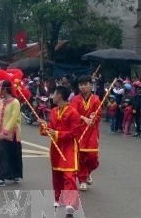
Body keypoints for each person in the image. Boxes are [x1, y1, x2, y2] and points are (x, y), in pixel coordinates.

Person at [40, 86, 84, 216]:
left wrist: (57, 133)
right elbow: (50, 129)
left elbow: (75, 132)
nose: (52, 96)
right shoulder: (53, 111)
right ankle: (58, 198)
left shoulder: (73, 112)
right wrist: (44, 126)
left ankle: (70, 202)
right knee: (57, 174)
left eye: (53, 93)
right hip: (56, 146)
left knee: (69, 175)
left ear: (59, 95)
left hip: (69, 147)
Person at [0, 80, 23, 188]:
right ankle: (2, 177)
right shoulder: (3, 102)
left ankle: (11, 176)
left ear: (5, 89)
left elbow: (13, 118)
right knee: (3, 155)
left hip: (12, 134)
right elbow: (2, 117)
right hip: (1, 133)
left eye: (1, 88)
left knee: (13, 154)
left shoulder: (15, 102)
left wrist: (5, 131)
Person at [69, 75, 101, 192]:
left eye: (85, 84)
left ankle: (87, 172)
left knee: (93, 158)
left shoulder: (96, 99)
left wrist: (94, 117)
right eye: (81, 85)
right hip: (79, 132)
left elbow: (98, 115)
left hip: (92, 132)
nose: (83, 87)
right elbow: (73, 113)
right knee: (80, 157)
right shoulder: (75, 99)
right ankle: (82, 180)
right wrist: (83, 118)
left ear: (90, 85)